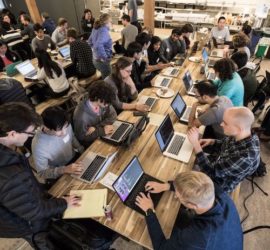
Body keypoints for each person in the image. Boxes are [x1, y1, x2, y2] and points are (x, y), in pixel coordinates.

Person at [0, 102, 80, 249]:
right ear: (12, 133)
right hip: (24, 222)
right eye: (30, 133)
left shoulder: (8, 154)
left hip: (23, 205)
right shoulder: (11, 176)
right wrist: (63, 203)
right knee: (46, 242)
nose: (31, 136)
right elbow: (34, 211)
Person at [135, 171, 243, 250]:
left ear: (192, 205)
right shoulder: (217, 193)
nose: (176, 196)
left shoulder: (197, 236)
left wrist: (149, 211)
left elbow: (161, 247)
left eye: (177, 196)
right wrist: (167, 186)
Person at [187, 107, 260, 193]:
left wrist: (196, 145)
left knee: (183, 177)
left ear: (238, 129)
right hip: (219, 163)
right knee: (189, 160)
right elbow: (226, 145)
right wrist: (212, 142)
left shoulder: (244, 158)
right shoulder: (242, 134)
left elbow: (211, 172)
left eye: (225, 123)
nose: (221, 124)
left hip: (219, 183)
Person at [32, 106, 84, 185]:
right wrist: (64, 169)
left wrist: (81, 150)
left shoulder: (64, 123)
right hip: (58, 171)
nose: (64, 132)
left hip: (74, 159)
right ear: (46, 128)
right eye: (60, 130)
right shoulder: (38, 146)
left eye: (66, 127)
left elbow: (72, 138)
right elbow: (42, 173)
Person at [73, 80, 117, 147]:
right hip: (92, 144)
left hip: (101, 135)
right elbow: (81, 138)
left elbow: (113, 115)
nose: (108, 105)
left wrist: (96, 128)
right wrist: (101, 131)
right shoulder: (81, 116)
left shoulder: (103, 101)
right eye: (106, 102)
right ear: (97, 98)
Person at [88, 13, 113, 79]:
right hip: (102, 61)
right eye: (110, 21)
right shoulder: (104, 30)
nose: (111, 23)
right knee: (108, 80)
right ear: (106, 22)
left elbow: (89, 42)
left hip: (95, 59)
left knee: (105, 77)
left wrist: (95, 52)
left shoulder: (95, 28)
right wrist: (105, 58)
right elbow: (98, 45)